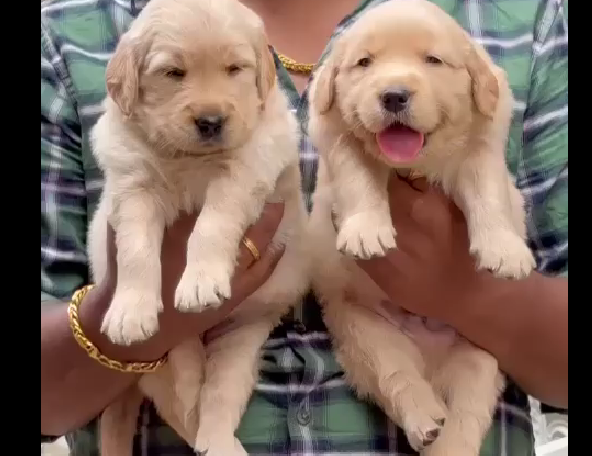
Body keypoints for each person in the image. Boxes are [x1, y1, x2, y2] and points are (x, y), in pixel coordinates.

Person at [41, 0, 568, 454]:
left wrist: (475, 294)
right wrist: (127, 307)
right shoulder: (73, 34)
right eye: (172, 73)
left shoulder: (527, 25)